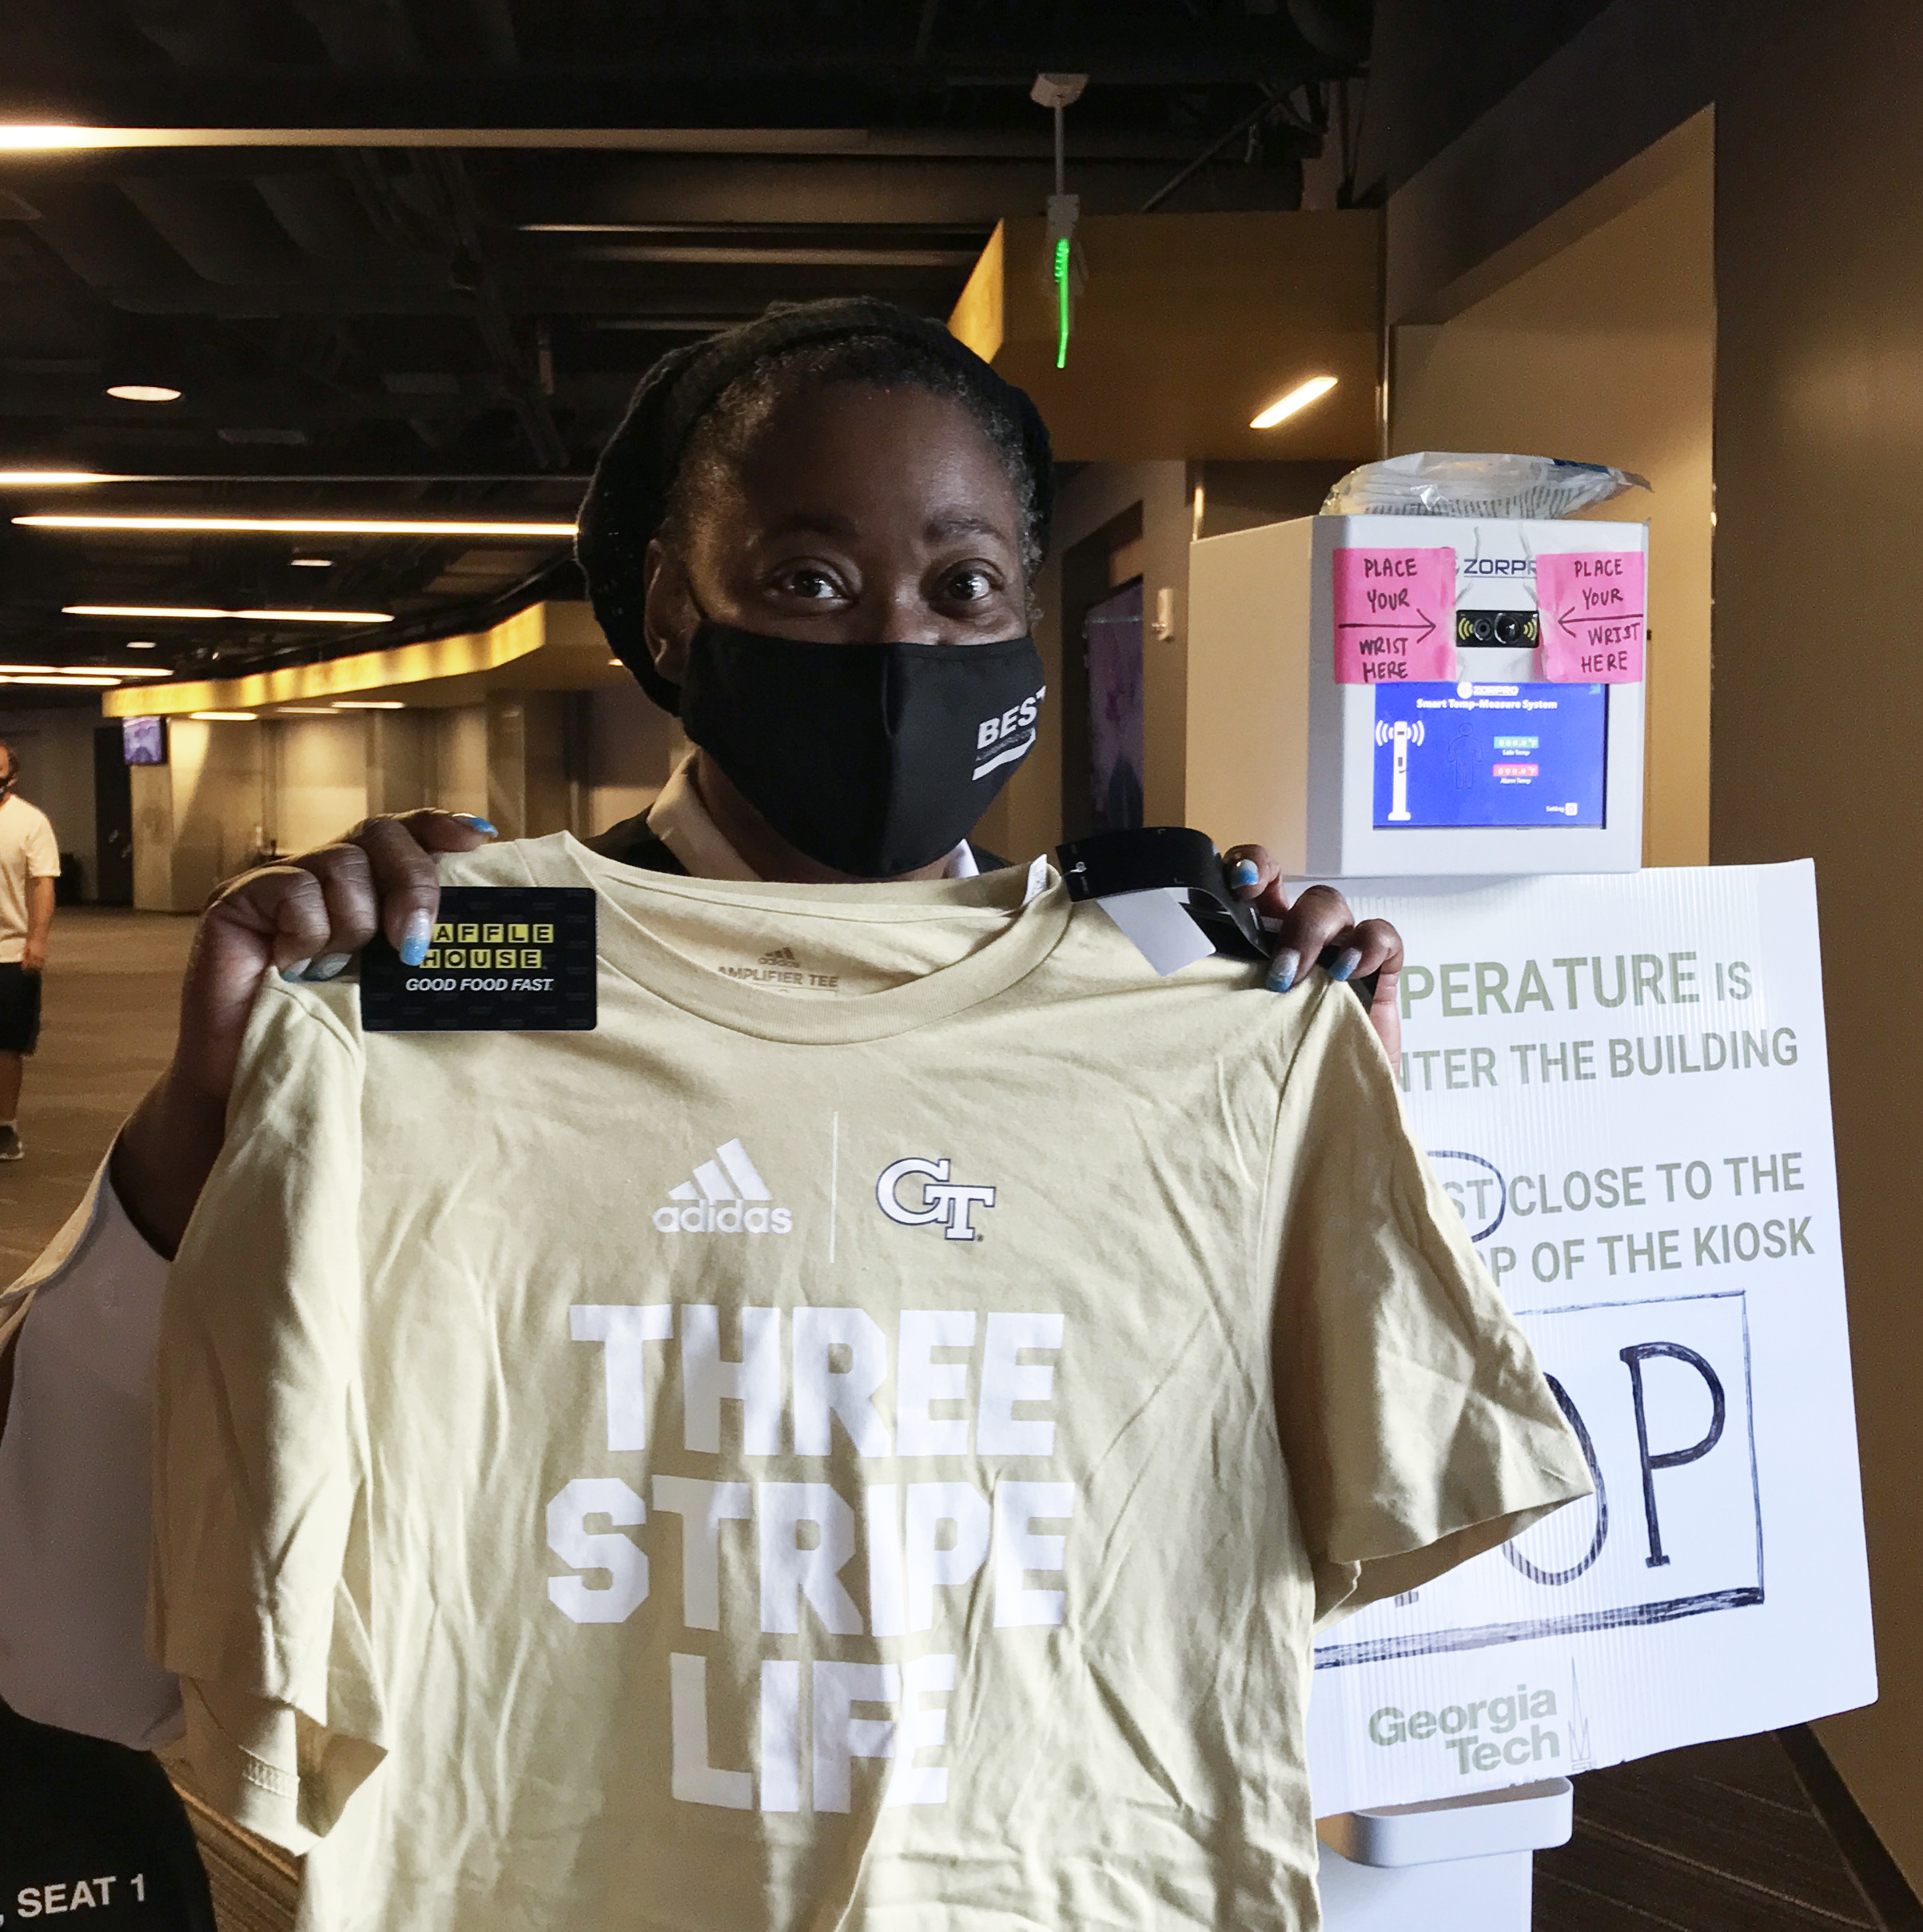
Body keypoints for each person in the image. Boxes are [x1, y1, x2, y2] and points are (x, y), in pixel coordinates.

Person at [0, 305, 1568, 1932]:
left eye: (963, 584)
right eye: (807, 579)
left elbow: (1334, 1541)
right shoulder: (444, 984)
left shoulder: (1199, 994)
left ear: (1024, 617)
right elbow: (80, 1647)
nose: (895, 642)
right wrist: (217, 1112)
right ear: (672, 611)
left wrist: (1315, 1114)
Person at [0, 739, 58, 1163]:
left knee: (7, 1045)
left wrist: (37, 939)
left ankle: (5, 1125)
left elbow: (43, 883)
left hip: (9, 952)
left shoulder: (30, 821)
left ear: (12, 776)